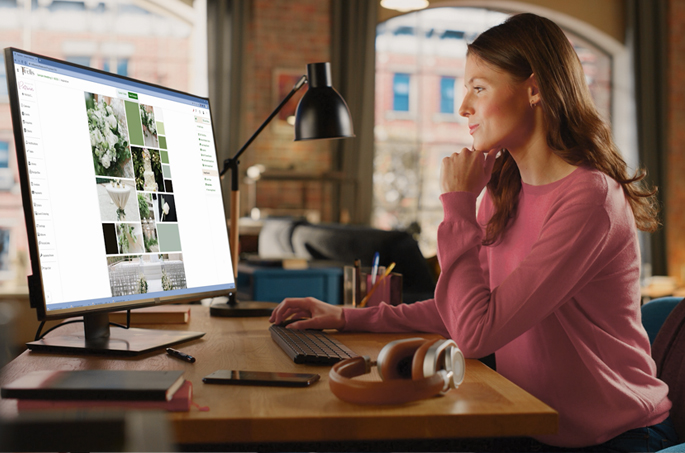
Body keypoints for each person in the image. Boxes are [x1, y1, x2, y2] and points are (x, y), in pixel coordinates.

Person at [269, 13, 677, 452]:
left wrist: (458, 203)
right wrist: (346, 317)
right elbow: (462, 311)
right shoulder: (504, 192)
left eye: (478, 87)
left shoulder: (589, 199)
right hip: (531, 423)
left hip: (617, 438)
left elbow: (475, 334)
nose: (463, 106)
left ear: (535, 89)